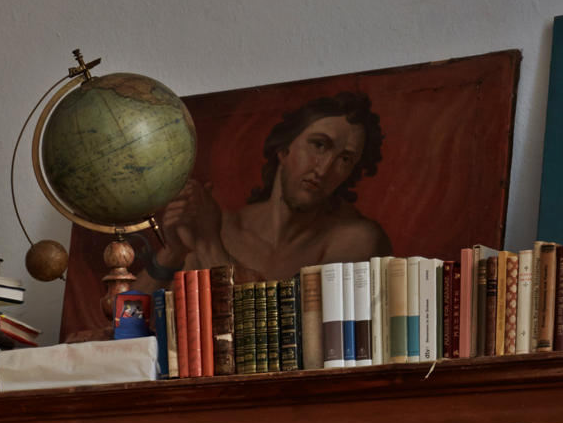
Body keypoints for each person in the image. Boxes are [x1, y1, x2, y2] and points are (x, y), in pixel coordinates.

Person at [151, 89, 393, 283]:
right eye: (319, 145)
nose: (324, 169)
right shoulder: (225, 227)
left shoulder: (356, 239)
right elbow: (133, 318)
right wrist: (172, 253)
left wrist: (210, 245)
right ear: (284, 149)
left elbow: (280, 324)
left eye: (345, 159)